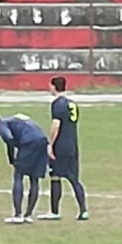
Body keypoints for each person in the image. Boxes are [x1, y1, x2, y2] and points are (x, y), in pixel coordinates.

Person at [0, 112, 50, 223]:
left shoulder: (2, 124)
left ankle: (18, 215)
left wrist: (13, 159)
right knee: (34, 179)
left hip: (29, 142)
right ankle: (28, 215)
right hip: (42, 141)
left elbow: (8, 138)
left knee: (18, 176)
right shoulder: (16, 120)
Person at [45, 76, 88, 221]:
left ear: (53, 87)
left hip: (61, 145)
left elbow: (56, 125)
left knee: (55, 177)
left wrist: (50, 144)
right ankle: (83, 210)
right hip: (72, 144)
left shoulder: (57, 104)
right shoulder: (72, 104)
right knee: (74, 179)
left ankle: (54, 211)